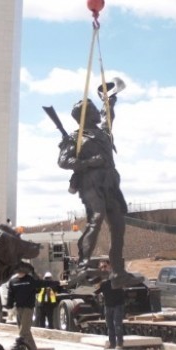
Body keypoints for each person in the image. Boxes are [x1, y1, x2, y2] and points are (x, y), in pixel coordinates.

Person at [57, 98, 129, 286]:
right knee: (97, 218)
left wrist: (109, 103)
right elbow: (63, 161)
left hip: (110, 184)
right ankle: (83, 264)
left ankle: (118, 270)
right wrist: (89, 163)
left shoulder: (103, 132)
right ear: (85, 116)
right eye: (95, 110)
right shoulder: (76, 138)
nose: (98, 113)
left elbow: (108, 118)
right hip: (90, 184)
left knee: (118, 224)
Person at [6, 262, 39, 350]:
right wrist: (10, 308)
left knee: (23, 332)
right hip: (18, 308)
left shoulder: (30, 280)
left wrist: (57, 283)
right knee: (26, 332)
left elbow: (40, 286)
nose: (20, 273)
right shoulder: (13, 281)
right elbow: (10, 296)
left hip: (28, 308)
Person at [96, 259, 125, 349]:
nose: (103, 269)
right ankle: (112, 343)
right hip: (108, 305)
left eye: (105, 266)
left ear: (110, 266)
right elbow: (96, 290)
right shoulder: (101, 280)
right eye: (101, 268)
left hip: (117, 304)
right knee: (109, 326)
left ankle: (119, 343)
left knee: (117, 325)